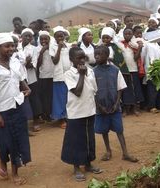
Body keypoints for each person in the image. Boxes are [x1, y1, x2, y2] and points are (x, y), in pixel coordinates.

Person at [61, 47, 102, 182]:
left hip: (89, 110)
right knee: (76, 140)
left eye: (83, 57)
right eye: (79, 58)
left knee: (89, 138)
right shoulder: (69, 74)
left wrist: (96, 107)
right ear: (71, 59)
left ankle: (88, 164)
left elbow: (94, 90)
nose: (82, 60)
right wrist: (81, 75)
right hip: (76, 112)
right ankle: (77, 167)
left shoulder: (90, 71)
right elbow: (77, 92)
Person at [93, 45, 138, 163]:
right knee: (104, 130)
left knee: (119, 129)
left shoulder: (115, 70)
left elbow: (120, 88)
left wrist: (117, 103)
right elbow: (92, 92)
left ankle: (125, 153)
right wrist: (99, 106)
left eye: (99, 54)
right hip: (100, 107)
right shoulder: (93, 72)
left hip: (114, 106)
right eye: (95, 54)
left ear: (107, 56)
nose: (96, 56)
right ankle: (108, 151)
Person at [0, 33, 31, 186]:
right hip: (2, 110)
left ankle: (15, 172)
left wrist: (26, 88)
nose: (10, 48)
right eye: (7, 46)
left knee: (17, 140)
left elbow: (20, 78)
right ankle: (3, 161)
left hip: (17, 105)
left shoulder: (16, 62)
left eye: (12, 45)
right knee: (4, 141)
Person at [20, 28, 43, 131]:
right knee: (22, 99)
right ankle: (24, 123)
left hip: (31, 77)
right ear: (22, 37)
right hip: (20, 78)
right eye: (26, 35)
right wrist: (26, 62)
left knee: (34, 99)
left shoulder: (34, 49)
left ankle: (36, 120)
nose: (28, 38)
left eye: (30, 36)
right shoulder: (17, 47)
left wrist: (26, 63)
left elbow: (32, 65)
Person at [118, 28, 144, 116]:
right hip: (124, 70)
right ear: (123, 34)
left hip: (133, 69)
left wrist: (139, 48)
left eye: (129, 34)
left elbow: (136, 58)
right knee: (125, 90)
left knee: (135, 89)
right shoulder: (120, 44)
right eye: (126, 34)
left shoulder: (134, 44)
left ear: (132, 34)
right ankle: (126, 109)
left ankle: (135, 108)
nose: (128, 35)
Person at [49, 26, 72, 128]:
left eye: (61, 36)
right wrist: (58, 47)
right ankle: (61, 119)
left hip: (68, 75)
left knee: (68, 97)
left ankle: (68, 117)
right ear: (54, 37)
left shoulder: (67, 45)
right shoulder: (52, 46)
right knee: (60, 98)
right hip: (59, 76)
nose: (60, 38)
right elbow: (55, 61)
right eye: (58, 37)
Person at [36, 30, 54, 122]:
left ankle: (51, 113)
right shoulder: (38, 49)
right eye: (41, 39)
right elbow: (38, 64)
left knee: (51, 96)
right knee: (45, 97)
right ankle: (45, 114)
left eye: (45, 39)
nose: (43, 41)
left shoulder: (53, 48)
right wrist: (42, 52)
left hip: (54, 75)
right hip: (43, 76)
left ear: (49, 39)